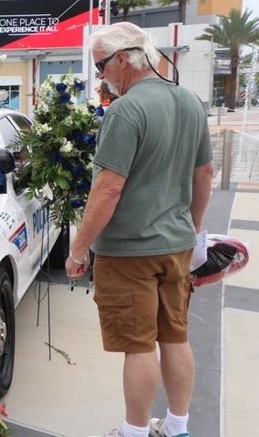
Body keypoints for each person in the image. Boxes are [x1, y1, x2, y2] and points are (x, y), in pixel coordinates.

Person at [64, 22, 214, 437]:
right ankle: (177, 427)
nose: (101, 77)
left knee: (139, 346)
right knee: (175, 337)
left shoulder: (126, 111)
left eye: (101, 67)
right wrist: (194, 229)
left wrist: (78, 251)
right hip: (176, 245)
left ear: (123, 59)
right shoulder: (189, 102)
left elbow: (108, 188)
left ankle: (134, 432)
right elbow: (205, 173)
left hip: (129, 251)